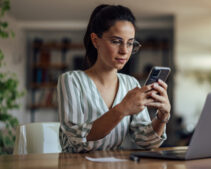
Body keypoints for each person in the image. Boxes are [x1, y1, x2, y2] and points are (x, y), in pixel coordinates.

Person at [57, 4, 171, 153]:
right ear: (95, 40)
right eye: (116, 41)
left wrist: (163, 116)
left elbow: (146, 141)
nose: (124, 51)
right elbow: (77, 139)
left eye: (130, 43)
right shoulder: (71, 80)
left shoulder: (131, 84)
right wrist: (122, 109)